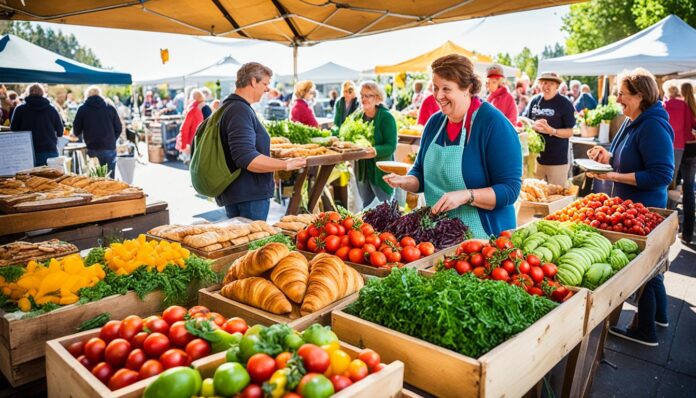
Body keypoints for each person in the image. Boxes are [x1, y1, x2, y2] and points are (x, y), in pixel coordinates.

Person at [384, 54, 522, 238]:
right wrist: (407, 181)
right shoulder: (434, 123)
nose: (438, 96)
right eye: (435, 87)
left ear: (468, 88)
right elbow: (420, 173)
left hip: (486, 238)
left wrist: (466, 196)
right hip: (439, 236)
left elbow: (510, 190)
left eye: (446, 89)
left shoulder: (493, 124)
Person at [587, 68, 674, 347]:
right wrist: (606, 156)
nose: (618, 100)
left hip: (645, 210)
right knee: (653, 265)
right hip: (628, 208)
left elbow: (662, 174)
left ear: (640, 95)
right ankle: (660, 316)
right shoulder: (631, 119)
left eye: (622, 94)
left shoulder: (653, 125)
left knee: (644, 269)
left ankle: (645, 330)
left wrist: (613, 176)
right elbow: (624, 156)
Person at [215, 62, 306, 220]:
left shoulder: (231, 106)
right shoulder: (239, 110)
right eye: (265, 83)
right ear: (252, 81)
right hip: (248, 196)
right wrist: (286, 165)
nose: (267, 89)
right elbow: (246, 158)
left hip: (240, 194)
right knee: (253, 244)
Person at [346, 81, 397, 208]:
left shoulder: (386, 117)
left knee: (385, 207)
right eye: (362, 95)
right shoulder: (357, 117)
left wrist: (374, 150)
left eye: (368, 96)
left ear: (377, 98)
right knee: (367, 207)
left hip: (381, 171)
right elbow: (349, 137)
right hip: (362, 170)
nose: (364, 99)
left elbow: (391, 146)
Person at [523, 72, 576, 186]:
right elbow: (526, 122)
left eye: (551, 83)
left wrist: (552, 131)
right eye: (544, 82)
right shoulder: (534, 101)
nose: (546, 86)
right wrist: (532, 126)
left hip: (557, 161)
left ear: (557, 86)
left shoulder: (564, 103)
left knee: (557, 197)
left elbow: (570, 132)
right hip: (536, 160)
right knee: (534, 198)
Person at [72, 86, 122, 177]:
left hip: (92, 149)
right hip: (109, 148)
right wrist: (111, 140)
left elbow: (76, 131)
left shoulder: (82, 109)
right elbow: (119, 128)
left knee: (95, 181)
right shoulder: (110, 107)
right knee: (110, 181)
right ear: (100, 95)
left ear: (86, 96)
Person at [10, 83, 64, 166]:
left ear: (28, 93)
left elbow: (13, 129)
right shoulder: (52, 109)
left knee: (27, 179)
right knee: (51, 178)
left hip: (26, 152)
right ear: (43, 93)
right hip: (49, 152)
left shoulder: (20, 109)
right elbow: (60, 132)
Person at [663, 84, 693, 207]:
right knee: (673, 177)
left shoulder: (664, 105)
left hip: (665, 143)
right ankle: (670, 207)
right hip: (679, 145)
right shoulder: (684, 105)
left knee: (663, 174)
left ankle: (662, 205)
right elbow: (688, 126)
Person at [679, 82, 696, 244]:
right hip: (693, 151)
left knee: (669, 187)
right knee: (689, 190)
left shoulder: (679, 107)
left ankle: (669, 229)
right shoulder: (694, 106)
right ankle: (687, 235)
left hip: (678, 151)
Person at [177, 89, 205, 159]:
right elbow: (185, 128)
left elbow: (184, 128)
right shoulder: (196, 109)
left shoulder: (193, 109)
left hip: (191, 142)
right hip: (194, 142)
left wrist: (184, 145)